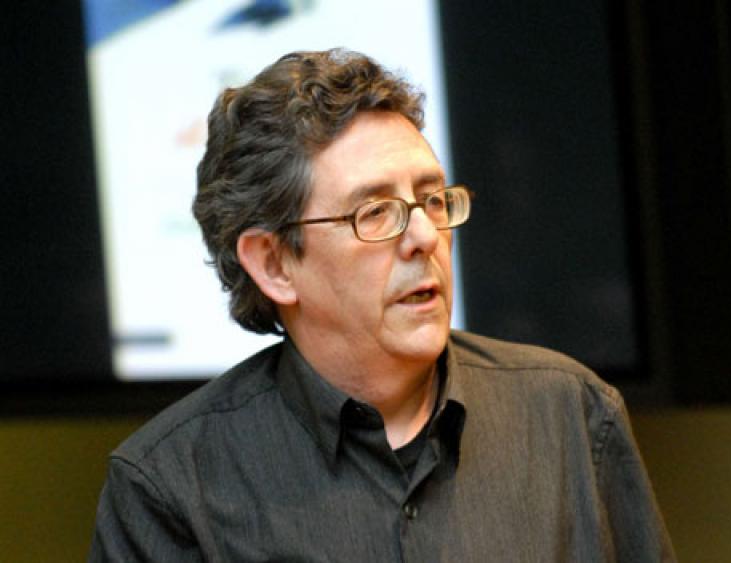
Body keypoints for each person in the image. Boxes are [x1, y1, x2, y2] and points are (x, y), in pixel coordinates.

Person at [89, 48, 676, 562]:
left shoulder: (571, 414)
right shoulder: (169, 485)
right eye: (374, 213)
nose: (424, 237)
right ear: (274, 264)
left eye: (433, 200)